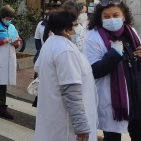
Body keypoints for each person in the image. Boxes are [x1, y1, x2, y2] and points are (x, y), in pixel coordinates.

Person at [83, 0, 141, 141]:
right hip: (115, 100)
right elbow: (94, 71)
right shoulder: (93, 37)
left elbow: (140, 59)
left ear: (123, 16)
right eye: (106, 16)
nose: (112, 19)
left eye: (116, 15)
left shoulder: (131, 32)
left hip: (136, 95)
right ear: (100, 18)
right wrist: (114, 54)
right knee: (112, 137)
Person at [34, 9, 97, 141]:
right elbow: (71, 91)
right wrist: (81, 126)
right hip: (66, 124)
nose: (77, 29)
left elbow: (38, 67)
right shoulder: (65, 50)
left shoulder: (50, 44)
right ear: (65, 29)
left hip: (53, 118)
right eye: (74, 25)